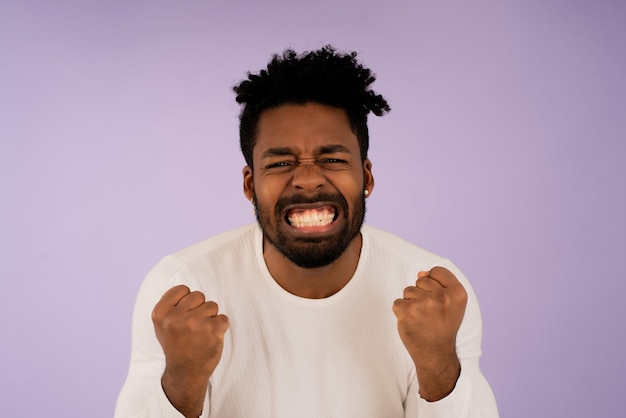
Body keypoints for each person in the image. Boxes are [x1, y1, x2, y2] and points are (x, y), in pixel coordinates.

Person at [115, 46, 498, 418]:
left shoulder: (437, 292)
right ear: (250, 184)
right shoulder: (183, 285)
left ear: (366, 176)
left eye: (331, 159)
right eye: (281, 162)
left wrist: (438, 364)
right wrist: (182, 379)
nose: (309, 180)